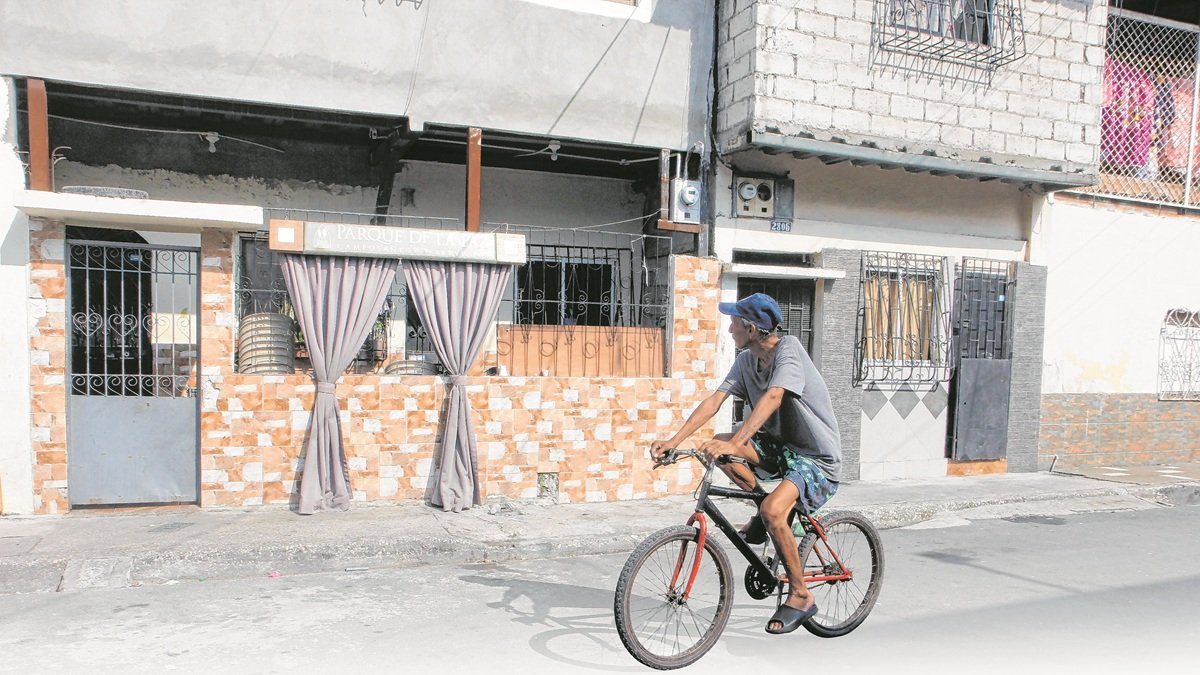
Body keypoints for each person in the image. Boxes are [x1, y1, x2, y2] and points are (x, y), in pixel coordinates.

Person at [651, 292, 842, 635]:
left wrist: (739, 442)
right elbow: (715, 400)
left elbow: (774, 396)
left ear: (752, 329)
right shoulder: (745, 361)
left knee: (771, 508)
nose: (729, 329)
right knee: (717, 446)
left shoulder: (789, 351)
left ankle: (800, 595)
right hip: (779, 448)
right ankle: (762, 509)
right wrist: (674, 441)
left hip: (816, 457)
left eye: (734, 323)